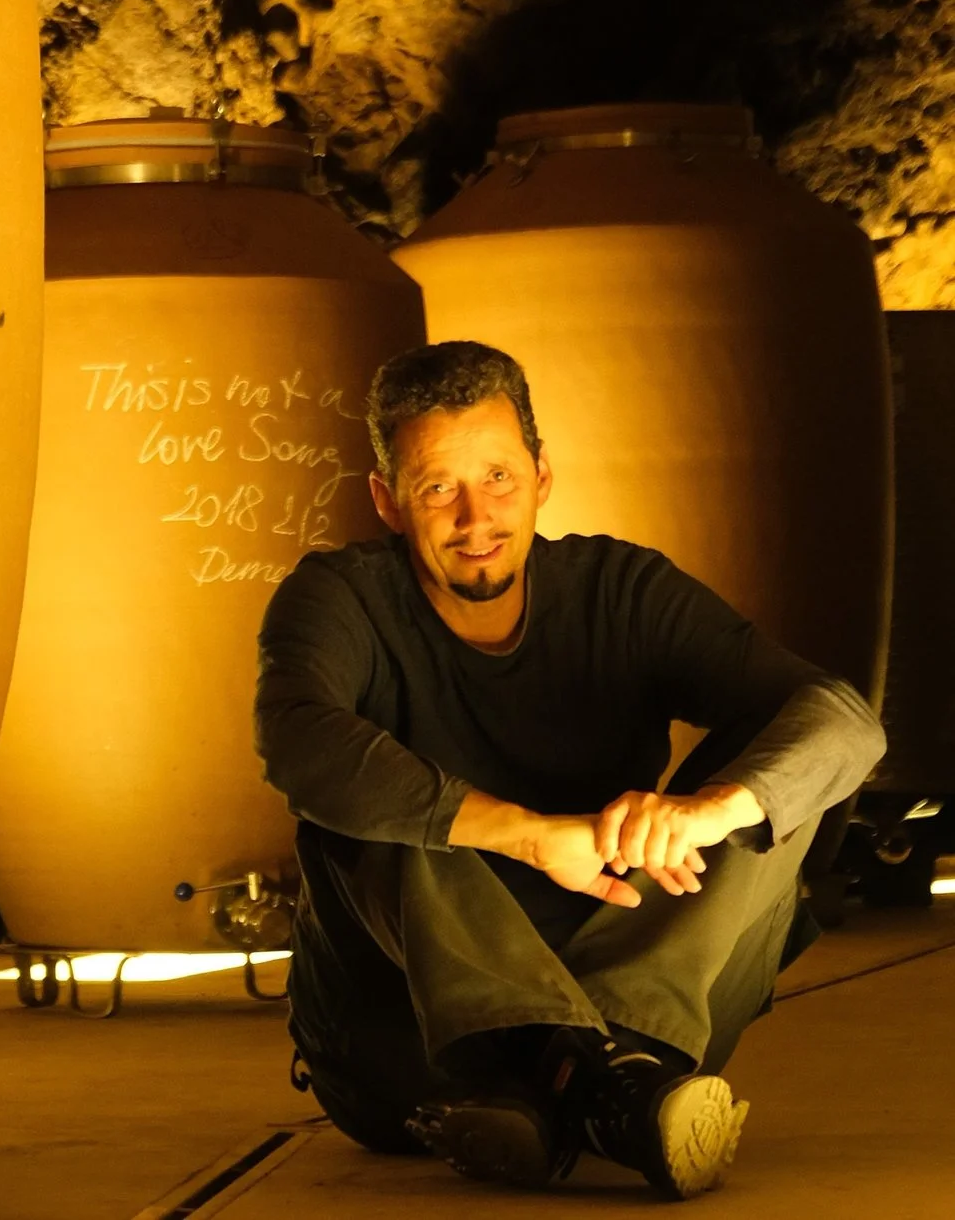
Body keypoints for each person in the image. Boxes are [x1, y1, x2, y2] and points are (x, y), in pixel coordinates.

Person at [256, 340, 885, 1200]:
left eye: (500, 478)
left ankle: (578, 1077)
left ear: (543, 475)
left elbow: (847, 723)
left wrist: (706, 811)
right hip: (411, 1047)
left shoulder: (620, 589)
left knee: (777, 776)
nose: (476, 517)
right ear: (388, 502)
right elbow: (296, 741)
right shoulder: (338, 597)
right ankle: (598, 1084)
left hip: (643, 998)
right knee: (366, 794)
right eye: (438, 487)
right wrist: (528, 836)